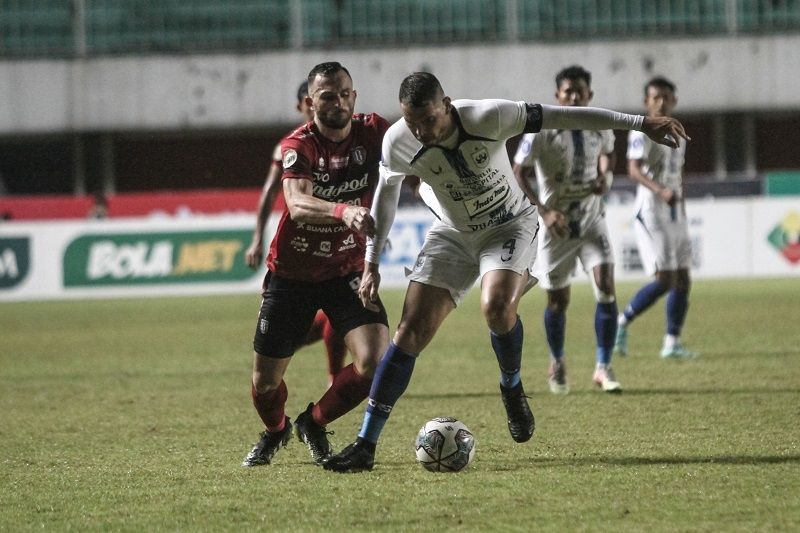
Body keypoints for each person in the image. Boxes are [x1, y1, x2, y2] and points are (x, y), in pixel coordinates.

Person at [323, 71, 689, 473]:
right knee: (409, 332)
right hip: (453, 232)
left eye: (428, 120)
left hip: (509, 225)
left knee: (496, 307)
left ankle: (511, 387)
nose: (421, 131)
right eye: (413, 122)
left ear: (445, 105)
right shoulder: (399, 140)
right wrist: (371, 262)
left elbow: (564, 116)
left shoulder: (490, 116)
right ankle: (365, 444)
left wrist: (640, 123)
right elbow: (386, 195)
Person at [242, 62, 391, 468]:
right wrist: (344, 211)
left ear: (354, 96)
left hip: (347, 268)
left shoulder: (373, 130)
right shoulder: (299, 144)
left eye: (345, 93)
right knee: (265, 382)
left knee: (376, 360)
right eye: (328, 95)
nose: (338, 101)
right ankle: (276, 431)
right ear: (311, 102)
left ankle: (314, 422)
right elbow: (296, 203)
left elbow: (417, 146)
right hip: (292, 275)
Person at [511, 65, 621, 395]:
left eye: (580, 92)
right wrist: (544, 212)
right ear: (557, 95)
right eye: (567, 91)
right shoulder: (540, 130)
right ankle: (557, 361)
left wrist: (605, 176)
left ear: (590, 96)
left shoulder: (599, 124)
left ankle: (603, 366)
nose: (573, 96)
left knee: (605, 286)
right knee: (558, 300)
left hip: (590, 219)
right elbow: (519, 172)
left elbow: (608, 155)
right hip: (556, 226)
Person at [244, 81, 347, 385]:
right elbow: (269, 193)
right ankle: (288, 344)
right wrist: (256, 238)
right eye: (314, 103)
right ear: (304, 105)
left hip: (339, 244)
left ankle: (333, 375)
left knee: (339, 313)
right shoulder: (291, 146)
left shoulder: (345, 144)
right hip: (300, 247)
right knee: (309, 319)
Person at [614, 77, 697, 360]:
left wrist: (679, 200)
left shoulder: (678, 131)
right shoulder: (642, 131)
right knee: (665, 279)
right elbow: (633, 170)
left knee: (683, 278)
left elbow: (678, 172)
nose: (660, 101)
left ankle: (671, 342)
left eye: (666, 97)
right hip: (651, 210)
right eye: (655, 97)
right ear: (646, 102)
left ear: (674, 100)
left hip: (675, 210)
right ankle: (621, 323)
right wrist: (660, 190)